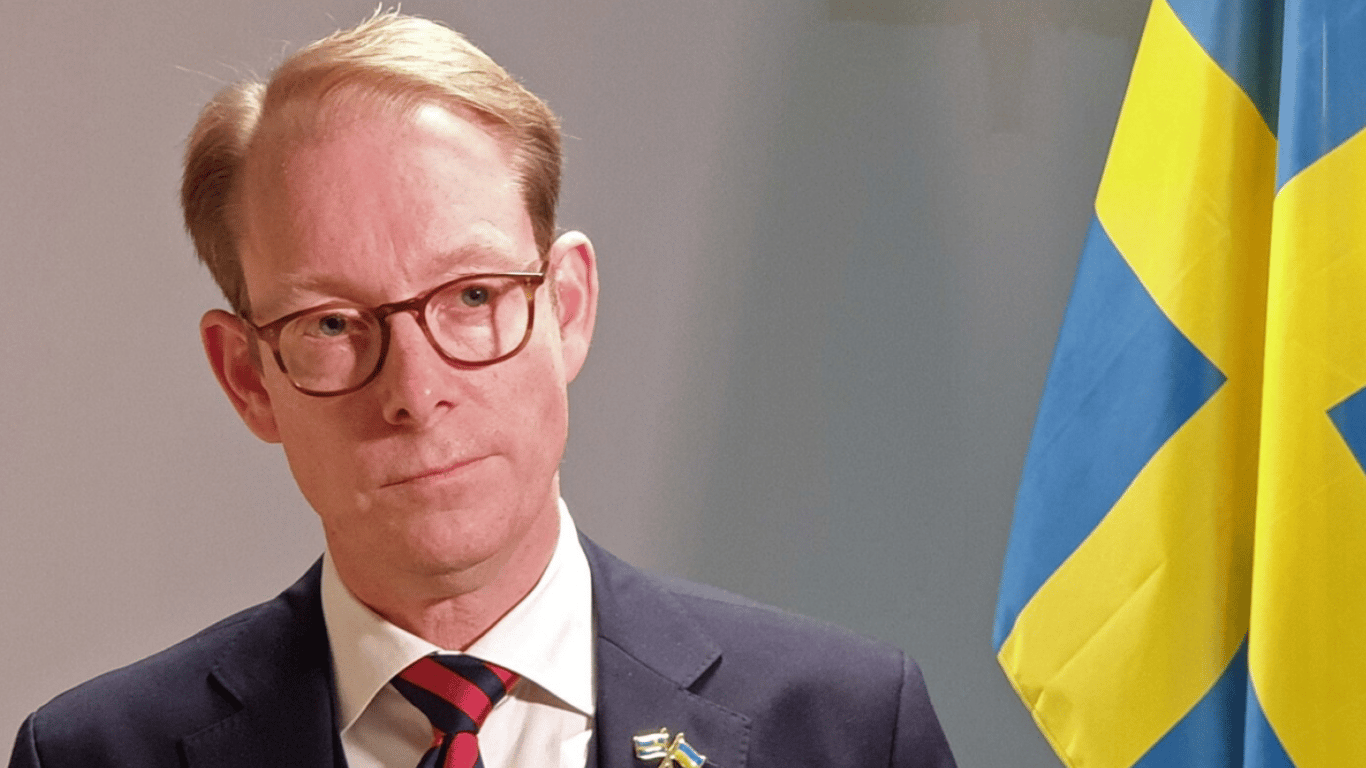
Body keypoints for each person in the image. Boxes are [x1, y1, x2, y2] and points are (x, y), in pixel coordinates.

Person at [7, 12, 955, 768]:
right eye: (332, 324)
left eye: (471, 296)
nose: (416, 393)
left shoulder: (845, 731)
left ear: (567, 308)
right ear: (247, 377)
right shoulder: (97, 755)